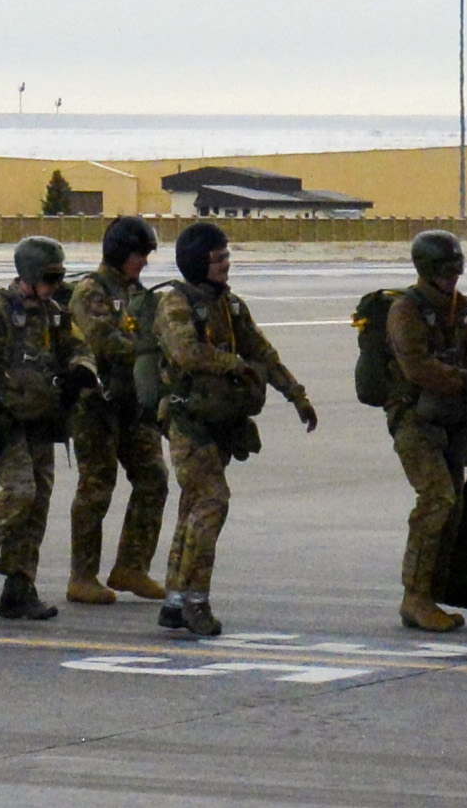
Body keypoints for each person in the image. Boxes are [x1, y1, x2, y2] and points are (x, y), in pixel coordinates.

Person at [148, 220, 319, 640]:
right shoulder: (175, 304)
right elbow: (186, 352)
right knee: (212, 503)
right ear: (197, 262)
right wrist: (234, 365)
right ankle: (195, 601)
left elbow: (262, 351)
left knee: (193, 508)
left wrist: (295, 394)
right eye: (218, 258)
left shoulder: (230, 306)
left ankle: (175, 601)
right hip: (189, 423)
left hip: (219, 423)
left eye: (227, 256)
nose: (226, 264)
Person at [0, 234, 80, 621]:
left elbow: (78, 347)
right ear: (29, 274)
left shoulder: (54, 313)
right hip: (3, 421)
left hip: (40, 420)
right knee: (20, 491)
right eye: (49, 277)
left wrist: (81, 371)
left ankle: (20, 585)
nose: (55, 285)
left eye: (59, 277)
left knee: (38, 500)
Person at [382, 228, 467, 632]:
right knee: (437, 500)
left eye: (456, 269)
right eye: (445, 270)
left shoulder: (456, 311)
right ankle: (415, 597)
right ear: (426, 270)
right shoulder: (406, 311)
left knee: (455, 505)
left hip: (450, 418)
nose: (453, 277)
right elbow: (417, 369)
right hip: (413, 419)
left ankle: (430, 592)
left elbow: (465, 361)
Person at [63, 213, 167, 605]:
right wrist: (149, 351)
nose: (145, 263)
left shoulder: (136, 292)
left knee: (153, 477)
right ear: (121, 253)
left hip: (132, 402)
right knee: (96, 488)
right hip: (96, 405)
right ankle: (82, 576)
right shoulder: (92, 291)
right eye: (140, 255)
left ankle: (131, 566)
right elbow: (104, 341)